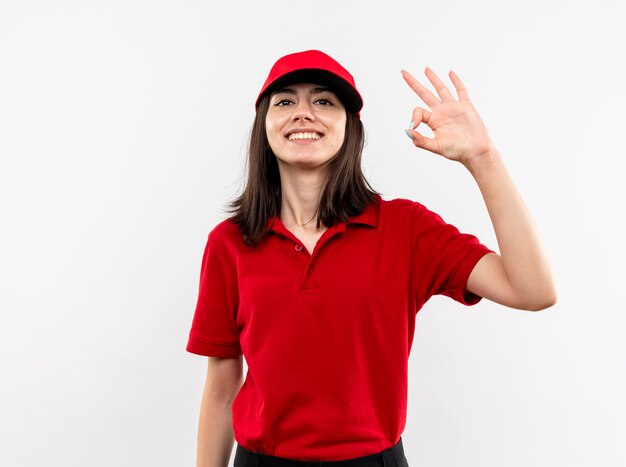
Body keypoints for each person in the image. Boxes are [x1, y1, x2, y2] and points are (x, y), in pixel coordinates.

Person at [186, 49, 557, 467]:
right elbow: (220, 388)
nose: (303, 113)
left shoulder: (406, 228)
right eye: (285, 101)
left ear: (351, 128)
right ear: (264, 127)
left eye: (324, 101)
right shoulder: (230, 242)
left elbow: (533, 290)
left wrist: (482, 158)